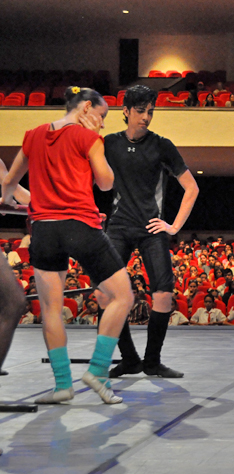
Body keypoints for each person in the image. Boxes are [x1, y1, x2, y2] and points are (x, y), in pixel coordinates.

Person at [1, 86, 134, 404]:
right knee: (123, 296)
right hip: (80, 226)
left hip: (44, 231)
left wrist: (12, 202)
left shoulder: (33, 134)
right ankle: (98, 371)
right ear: (87, 107)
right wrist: (96, 143)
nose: (101, 123)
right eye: (101, 116)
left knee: (50, 310)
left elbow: (9, 184)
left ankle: (63, 386)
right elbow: (106, 182)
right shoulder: (88, 137)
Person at [102, 85, 200, 379]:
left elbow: (192, 188)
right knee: (107, 297)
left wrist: (174, 226)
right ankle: (130, 359)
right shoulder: (108, 144)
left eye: (151, 112)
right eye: (141, 111)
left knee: (164, 297)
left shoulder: (162, 145)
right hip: (118, 227)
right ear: (126, 112)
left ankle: (152, 362)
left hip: (151, 228)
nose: (146, 117)